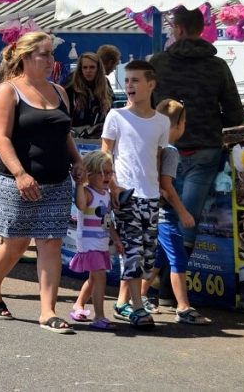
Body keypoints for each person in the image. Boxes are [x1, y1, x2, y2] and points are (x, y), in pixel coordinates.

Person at [0, 31, 82, 333]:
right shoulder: (9, 91)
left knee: (51, 243)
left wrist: (77, 162)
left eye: (52, 54)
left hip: (57, 181)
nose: (51, 60)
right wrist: (21, 173)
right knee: (16, 243)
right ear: (25, 57)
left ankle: (48, 311)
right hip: (17, 181)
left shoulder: (59, 92)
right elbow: (1, 137)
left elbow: (64, 134)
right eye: (44, 54)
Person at [150, 7, 244, 256]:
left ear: (178, 29)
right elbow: (236, 114)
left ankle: (162, 288)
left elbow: (145, 107)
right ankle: (173, 289)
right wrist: (211, 120)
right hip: (204, 149)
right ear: (201, 30)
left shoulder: (158, 63)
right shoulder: (218, 66)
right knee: (187, 217)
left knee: (165, 216)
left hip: (163, 148)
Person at [102, 60, 168, 329]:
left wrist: (162, 188)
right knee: (131, 252)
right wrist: (113, 186)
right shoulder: (116, 116)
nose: (129, 85)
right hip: (126, 194)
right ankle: (138, 307)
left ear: (151, 85)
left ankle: (123, 303)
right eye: (127, 80)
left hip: (151, 196)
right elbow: (105, 152)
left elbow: (159, 156)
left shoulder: (162, 121)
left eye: (135, 80)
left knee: (148, 256)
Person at [140, 99, 211, 325]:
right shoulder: (170, 151)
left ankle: (141, 296)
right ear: (179, 125)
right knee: (178, 260)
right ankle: (183, 307)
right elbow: (168, 187)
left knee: (159, 258)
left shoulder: (153, 145)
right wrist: (184, 213)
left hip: (155, 213)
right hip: (167, 216)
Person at [68, 151, 124, 330]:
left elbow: (108, 221)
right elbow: (81, 205)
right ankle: (99, 316)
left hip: (101, 243)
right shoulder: (87, 192)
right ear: (90, 174)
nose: (107, 176)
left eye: (110, 172)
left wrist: (116, 239)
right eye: (103, 172)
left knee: (94, 278)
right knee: (99, 276)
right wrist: (79, 184)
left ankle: (78, 305)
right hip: (89, 243)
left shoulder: (106, 194)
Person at [64, 52, 111, 130]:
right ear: (80, 69)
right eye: (85, 67)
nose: (88, 71)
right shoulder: (71, 85)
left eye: (92, 67)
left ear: (98, 69)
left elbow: (111, 109)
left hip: (98, 131)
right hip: (75, 132)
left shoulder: (105, 83)